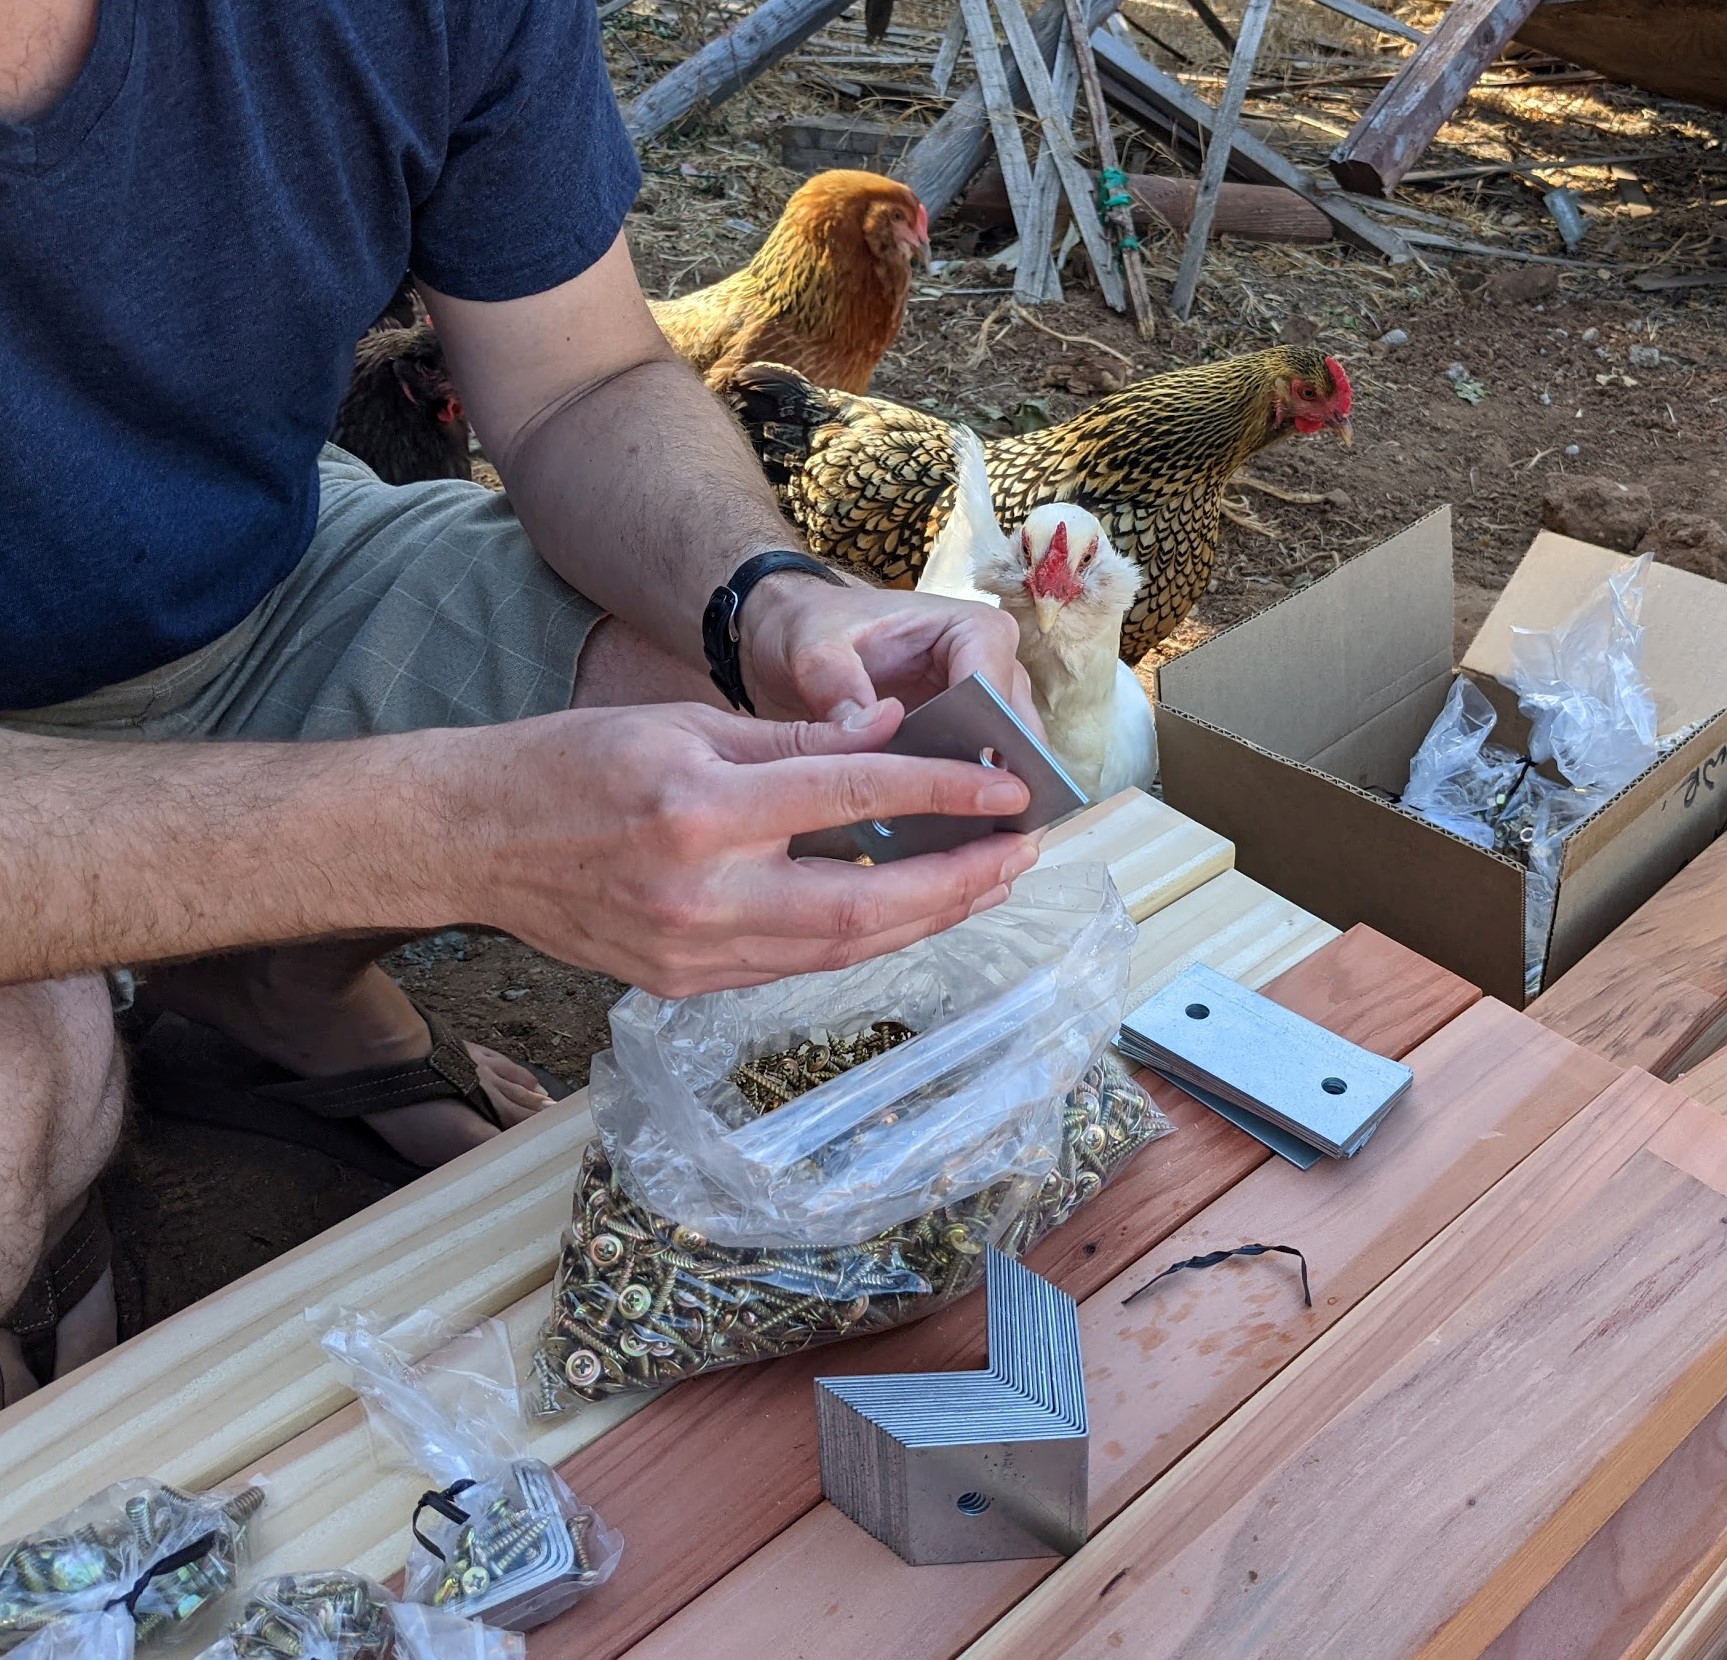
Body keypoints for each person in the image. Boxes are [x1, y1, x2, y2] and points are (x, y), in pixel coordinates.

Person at [0, 0, 1042, 1401]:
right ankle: (54, 1284)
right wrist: (454, 825)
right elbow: (451, 819)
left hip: (258, 577)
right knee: (17, 1100)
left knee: (808, 730)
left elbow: (580, 381)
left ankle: (266, 986)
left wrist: (768, 599)